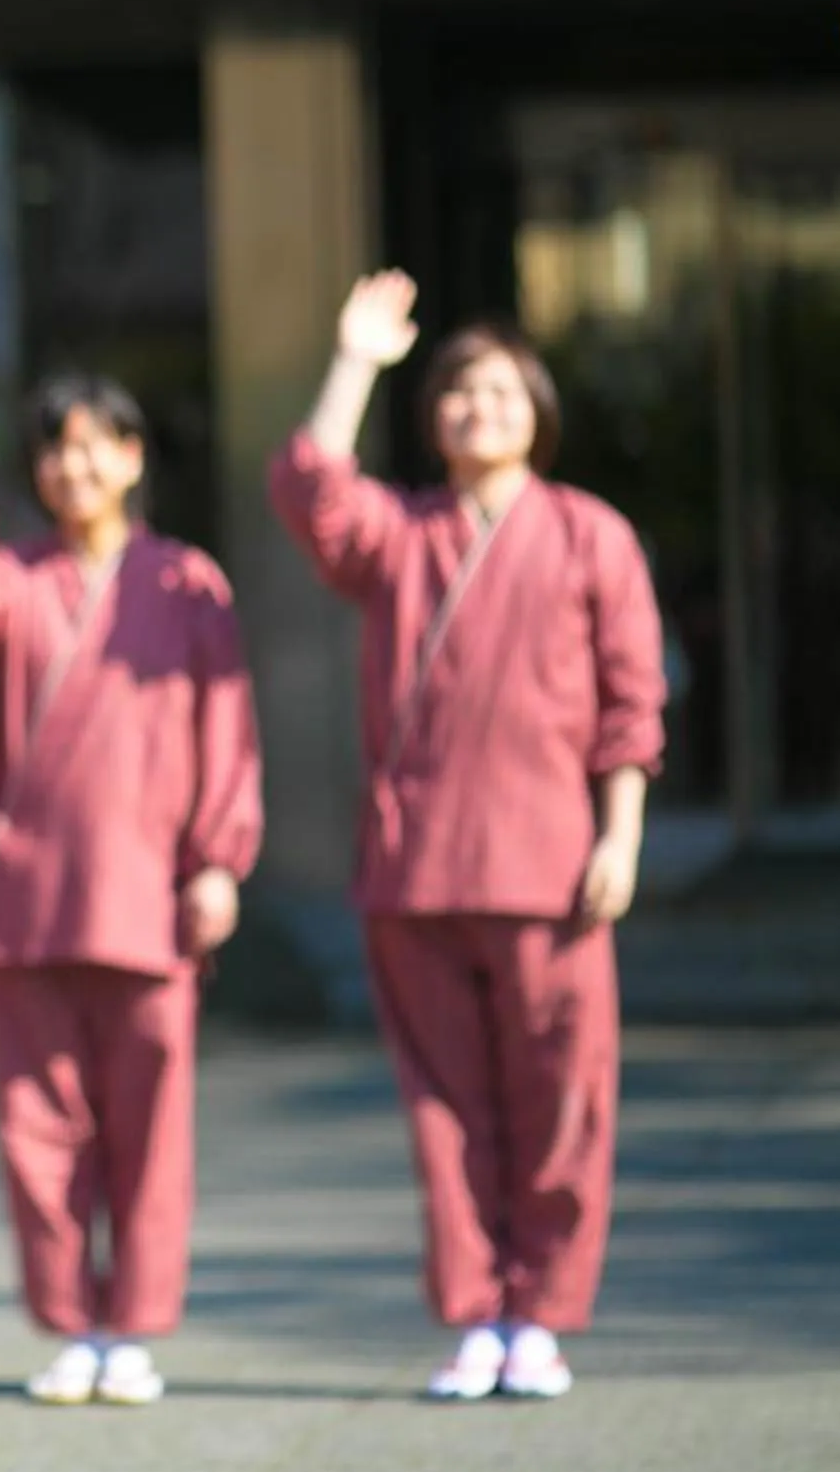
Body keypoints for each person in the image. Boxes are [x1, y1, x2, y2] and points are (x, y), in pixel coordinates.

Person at [272, 270, 666, 1403]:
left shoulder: (593, 534)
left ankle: (541, 1311)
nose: (476, 407)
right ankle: (476, 1313)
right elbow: (312, 493)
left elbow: (631, 705)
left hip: (551, 862)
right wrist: (356, 359)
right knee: (444, 1105)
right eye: (455, 392)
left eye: (499, 390)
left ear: (537, 410)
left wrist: (619, 837)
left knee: (560, 1095)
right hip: (419, 863)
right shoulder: (401, 536)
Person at [0, 372, 263, 1407]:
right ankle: (68, 1322)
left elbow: (225, 733)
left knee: (150, 1125)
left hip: (150, 889)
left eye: (98, 444)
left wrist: (219, 859)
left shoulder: (189, 581)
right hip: (28, 894)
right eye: (56, 449)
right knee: (36, 1125)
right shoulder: (15, 577)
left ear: (135, 456)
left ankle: (134, 1325)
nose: (77, 466)